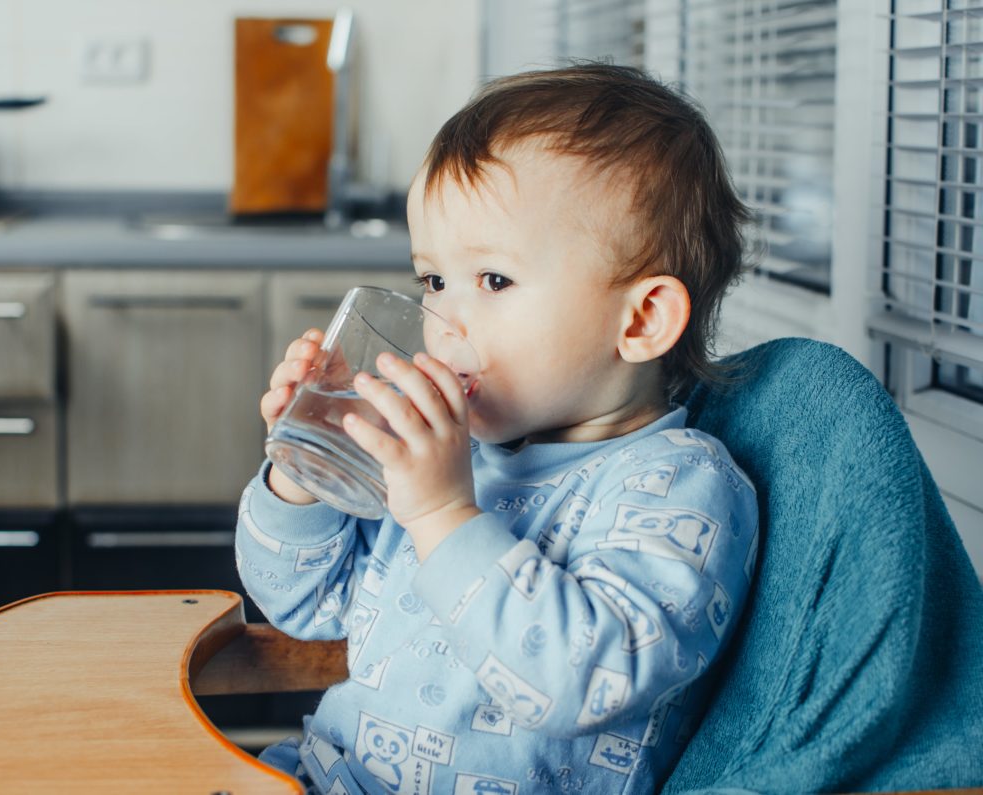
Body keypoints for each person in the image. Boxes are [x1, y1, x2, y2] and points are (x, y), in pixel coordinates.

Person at [235, 62, 760, 795]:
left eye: (493, 280)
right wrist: (302, 470)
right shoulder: (458, 453)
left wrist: (443, 515)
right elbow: (303, 603)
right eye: (433, 280)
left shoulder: (678, 482)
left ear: (640, 320)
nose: (443, 321)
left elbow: (580, 681)